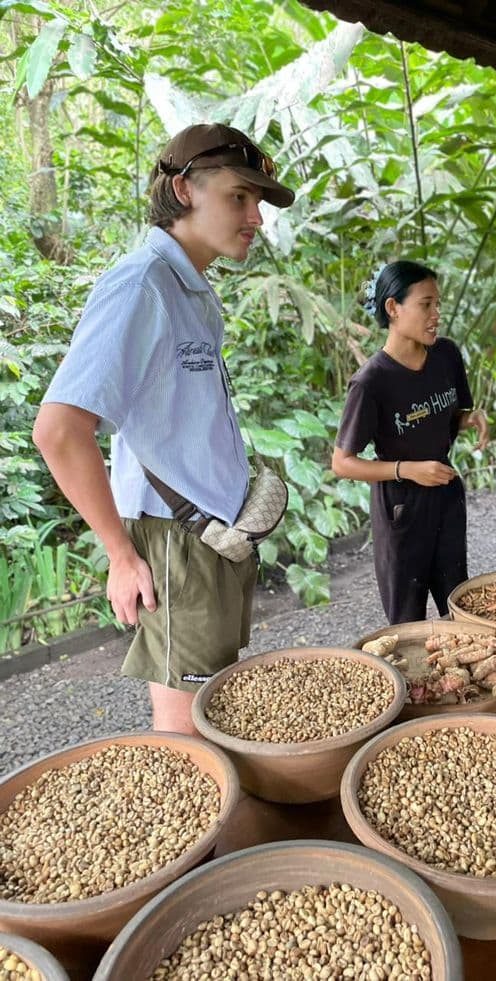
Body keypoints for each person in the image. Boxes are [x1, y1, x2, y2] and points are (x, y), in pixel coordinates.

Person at [33, 123, 295, 734]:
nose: (256, 215)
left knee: (217, 711)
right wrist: (120, 555)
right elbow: (60, 429)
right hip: (176, 542)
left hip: (214, 539)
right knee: (187, 732)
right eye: (240, 197)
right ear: (184, 189)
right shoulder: (142, 284)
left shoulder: (190, 288)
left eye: (258, 201)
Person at [332, 260, 488, 624]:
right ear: (393, 308)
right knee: (407, 621)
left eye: (438, 304)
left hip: (446, 496)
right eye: (426, 304)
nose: (437, 314)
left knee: (459, 606)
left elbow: (445, 416)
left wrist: (469, 418)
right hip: (401, 509)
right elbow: (342, 462)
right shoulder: (372, 382)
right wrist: (407, 470)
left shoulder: (446, 356)